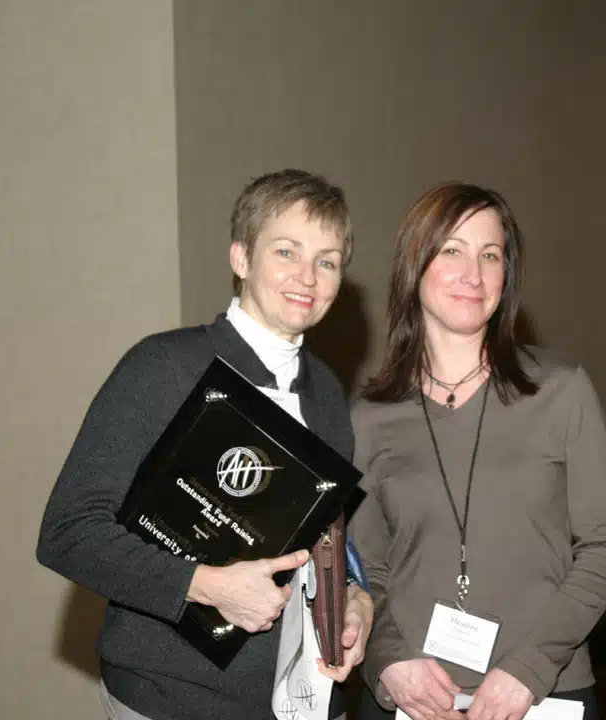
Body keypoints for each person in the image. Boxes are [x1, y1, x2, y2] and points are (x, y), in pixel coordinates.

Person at [36, 169, 373, 720]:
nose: (307, 276)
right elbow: (69, 533)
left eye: (328, 260)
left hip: (302, 697)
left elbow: (328, 535)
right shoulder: (164, 366)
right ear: (241, 258)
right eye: (286, 251)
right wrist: (206, 586)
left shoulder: (328, 392)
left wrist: (353, 599)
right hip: (175, 699)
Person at [349, 181, 606, 720]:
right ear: (415, 266)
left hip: (543, 695)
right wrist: (387, 661)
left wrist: (529, 667)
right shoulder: (370, 415)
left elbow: (605, 546)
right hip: (411, 700)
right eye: (452, 250)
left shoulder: (560, 389)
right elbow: (365, 571)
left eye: (491, 255)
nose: (473, 275)